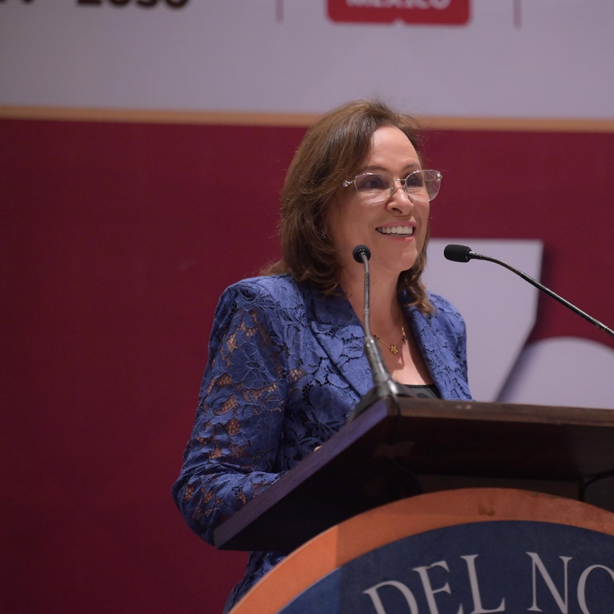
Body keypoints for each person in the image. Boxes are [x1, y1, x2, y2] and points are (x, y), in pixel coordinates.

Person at [172, 99, 473, 612]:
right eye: (374, 182)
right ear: (320, 207)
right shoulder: (271, 310)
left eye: (414, 180)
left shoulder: (441, 322)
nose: (403, 201)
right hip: (315, 596)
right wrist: (316, 484)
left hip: (429, 593)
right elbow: (205, 490)